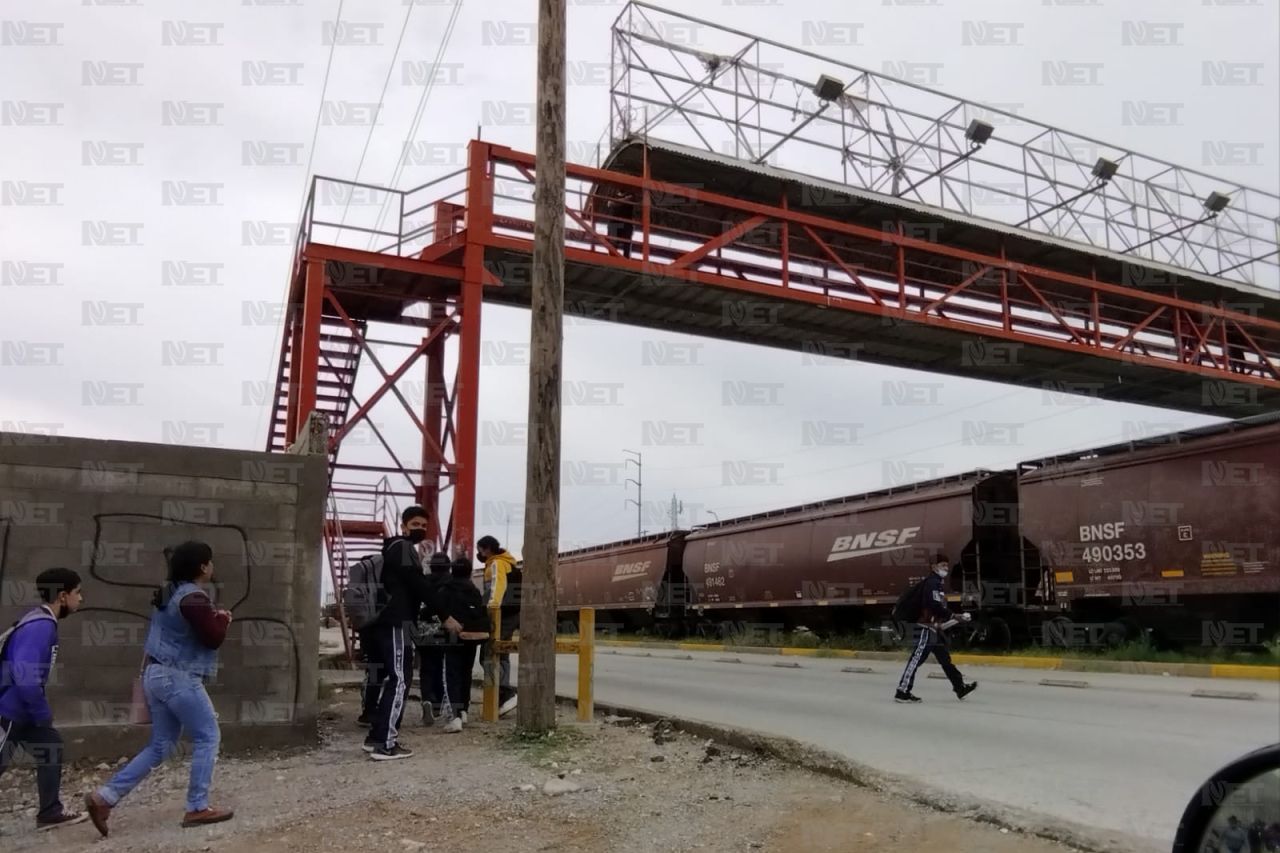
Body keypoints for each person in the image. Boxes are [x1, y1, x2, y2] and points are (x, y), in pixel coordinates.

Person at [85, 542, 234, 837]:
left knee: (161, 744)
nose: (212, 566)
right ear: (203, 566)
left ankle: (105, 798)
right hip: (179, 677)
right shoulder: (193, 597)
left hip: (155, 675)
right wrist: (223, 619)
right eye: (210, 562)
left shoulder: (168, 595)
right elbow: (212, 638)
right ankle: (197, 806)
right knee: (208, 735)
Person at [0, 567, 87, 830]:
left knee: (51, 745)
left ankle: (50, 812)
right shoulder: (41, 626)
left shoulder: (39, 620)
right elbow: (26, 677)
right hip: (9, 710)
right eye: (78, 593)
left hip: (21, 710)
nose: (81, 599)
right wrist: (41, 713)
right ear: (63, 596)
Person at [366, 507, 456, 760]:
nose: (420, 528)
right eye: (415, 523)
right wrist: (445, 614)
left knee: (395, 679)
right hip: (396, 621)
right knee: (400, 680)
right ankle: (386, 744)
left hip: (394, 622)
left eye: (424, 525)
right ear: (403, 526)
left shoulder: (396, 548)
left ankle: (376, 737)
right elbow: (418, 585)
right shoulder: (402, 548)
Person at [894, 555, 977, 704]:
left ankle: (960, 687)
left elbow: (937, 608)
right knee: (916, 659)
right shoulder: (932, 583)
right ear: (933, 567)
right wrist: (954, 615)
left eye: (946, 565)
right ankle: (902, 691)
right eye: (942, 565)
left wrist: (952, 619)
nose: (946, 568)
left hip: (933, 629)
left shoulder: (937, 583)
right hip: (925, 628)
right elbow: (933, 605)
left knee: (945, 659)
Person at [437, 556, 490, 730]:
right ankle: (464, 711)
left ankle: (455, 716)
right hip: (471, 638)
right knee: (466, 673)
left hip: (453, 637)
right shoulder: (474, 590)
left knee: (452, 675)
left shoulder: (446, 589)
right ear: (469, 572)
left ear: (453, 570)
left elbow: (438, 610)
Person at [477, 535, 519, 717]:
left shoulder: (497, 563)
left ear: (486, 549)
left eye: (480, 550)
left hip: (502, 613)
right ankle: (501, 696)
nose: (479, 554)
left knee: (490, 652)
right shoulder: (507, 562)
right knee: (501, 653)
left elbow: (498, 586)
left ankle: (505, 693)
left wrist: (492, 608)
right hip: (511, 613)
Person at [415, 553, 453, 728]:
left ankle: (427, 699)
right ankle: (437, 706)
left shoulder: (423, 582)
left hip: (422, 630)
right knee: (440, 666)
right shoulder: (450, 582)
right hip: (443, 630)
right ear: (448, 566)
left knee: (426, 668)